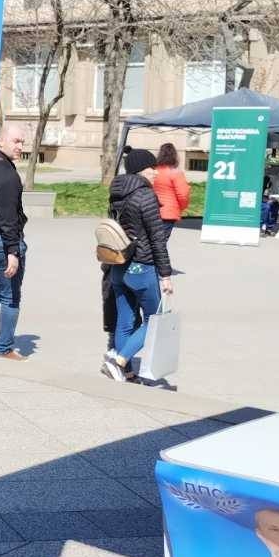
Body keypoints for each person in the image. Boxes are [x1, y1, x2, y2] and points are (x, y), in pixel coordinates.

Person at [103, 148, 173, 383]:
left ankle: (126, 372)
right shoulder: (145, 195)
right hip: (142, 267)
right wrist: (165, 275)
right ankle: (118, 361)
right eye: (152, 168)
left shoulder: (116, 191)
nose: (156, 172)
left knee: (125, 321)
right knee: (154, 320)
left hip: (119, 265)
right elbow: (157, 239)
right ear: (142, 170)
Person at [0, 124, 29, 361]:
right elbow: (9, 218)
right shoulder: (8, 175)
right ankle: (4, 347)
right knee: (10, 297)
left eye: (22, 142)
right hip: (2, 243)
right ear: (0, 141)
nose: (20, 146)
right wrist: (13, 252)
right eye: (16, 141)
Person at [153, 142, 190, 243]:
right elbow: (183, 195)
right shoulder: (176, 173)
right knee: (161, 243)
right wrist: (181, 207)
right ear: (175, 156)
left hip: (151, 211)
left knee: (152, 241)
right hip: (168, 213)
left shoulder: (153, 171)